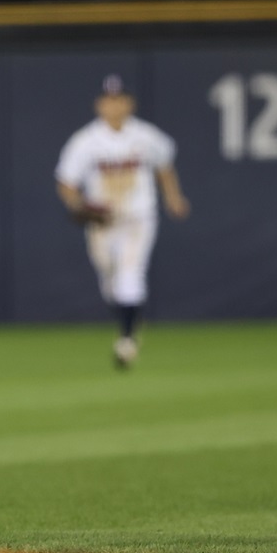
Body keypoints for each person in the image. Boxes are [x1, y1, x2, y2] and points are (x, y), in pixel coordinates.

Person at [54, 74, 190, 368]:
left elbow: (164, 166)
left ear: (129, 103)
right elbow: (66, 182)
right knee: (110, 279)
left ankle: (127, 340)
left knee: (131, 273)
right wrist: (79, 204)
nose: (114, 106)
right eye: (108, 100)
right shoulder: (86, 141)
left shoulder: (145, 136)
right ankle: (131, 322)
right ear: (99, 105)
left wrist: (173, 198)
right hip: (102, 222)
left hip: (138, 217)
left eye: (119, 99)